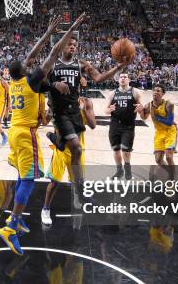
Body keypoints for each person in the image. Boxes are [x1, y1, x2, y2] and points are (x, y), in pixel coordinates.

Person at [0, 14, 78, 256]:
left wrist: (47, 31)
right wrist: (69, 30)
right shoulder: (31, 80)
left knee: (23, 178)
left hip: (15, 131)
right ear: (23, 71)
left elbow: (32, 55)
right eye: (25, 64)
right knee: (31, 180)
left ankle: (17, 218)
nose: (29, 63)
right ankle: (10, 227)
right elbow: (53, 54)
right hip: (24, 135)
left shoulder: (16, 82)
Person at [46, 31, 131, 200]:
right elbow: (39, 81)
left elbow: (99, 78)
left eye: (75, 45)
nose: (72, 47)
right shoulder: (53, 63)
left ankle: (58, 141)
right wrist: (54, 84)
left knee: (76, 151)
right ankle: (79, 191)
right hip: (59, 111)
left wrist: (118, 67)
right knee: (76, 148)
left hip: (74, 112)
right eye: (69, 44)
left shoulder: (81, 65)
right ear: (62, 46)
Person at [42, 96, 96, 226]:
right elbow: (44, 121)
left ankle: (78, 196)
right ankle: (45, 209)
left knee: (79, 181)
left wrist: (83, 110)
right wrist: (47, 109)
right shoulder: (56, 101)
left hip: (77, 150)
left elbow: (93, 125)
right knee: (54, 182)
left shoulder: (86, 102)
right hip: (61, 151)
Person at [105, 73, 144, 180]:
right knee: (116, 150)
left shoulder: (135, 91)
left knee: (126, 151)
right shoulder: (112, 93)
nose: (122, 78)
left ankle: (127, 169)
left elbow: (141, 108)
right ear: (118, 80)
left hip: (128, 125)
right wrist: (110, 110)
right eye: (121, 77)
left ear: (129, 79)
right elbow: (106, 110)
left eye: (125, 77)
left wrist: (141, 108)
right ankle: (119, 171)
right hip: (114, 125)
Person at [141, 85, 178, 170]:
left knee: (169, 157)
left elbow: (169, 123)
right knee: (158, 160)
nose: (155, 92)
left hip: (170, 132)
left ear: (163, 94)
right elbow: (144, 118)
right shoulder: (148, 106)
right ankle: (171, 171)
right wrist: (140, 111)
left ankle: (171, 179)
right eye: (154, 90)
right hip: (159, 132)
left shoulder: (169, 104)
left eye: (158, 91)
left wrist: (156, 117)